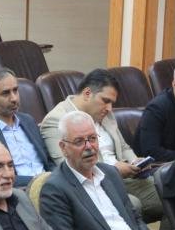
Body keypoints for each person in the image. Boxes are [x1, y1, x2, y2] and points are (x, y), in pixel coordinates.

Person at [40, 69, 162, 221]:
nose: (110, 108)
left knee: (170, 191)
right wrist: (115, 170)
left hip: (125, 177)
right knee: (133, 204)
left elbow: (124, 147)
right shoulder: (57, 120)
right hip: (93, 184)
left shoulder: (105, 114)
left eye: (112, 103)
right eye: (105, 101)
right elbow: (69, 166)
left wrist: (135, 161)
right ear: (87, 93)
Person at [40, 111, 150, 230]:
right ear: (63, 148)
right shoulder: (54, 189)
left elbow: (133, 215)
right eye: (79, 141)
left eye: (92, 138)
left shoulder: (110, 173)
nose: (89, 147)